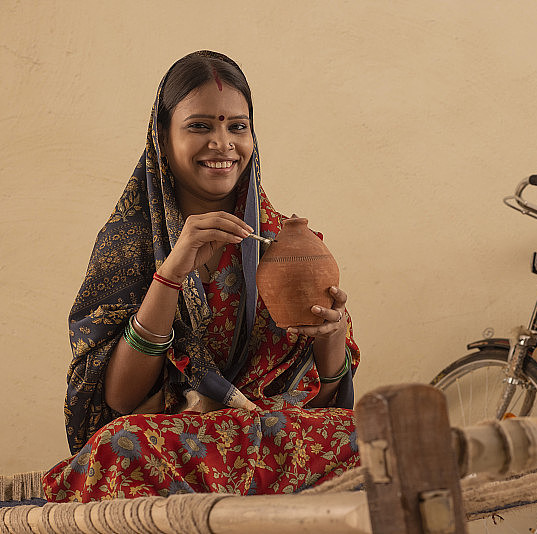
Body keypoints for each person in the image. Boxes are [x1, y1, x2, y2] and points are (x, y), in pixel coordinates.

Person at [42, 51, 360, 502]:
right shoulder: (128, 244)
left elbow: (326, 403)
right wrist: (171, 274)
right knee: (120, 448)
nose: (223, 143)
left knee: (367, 437)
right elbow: (118, 400)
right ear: (162, 138)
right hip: (173, 445)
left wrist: (332, 335)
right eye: (200, 126)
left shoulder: (281, 243)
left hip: (267, 435)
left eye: (237, 126)